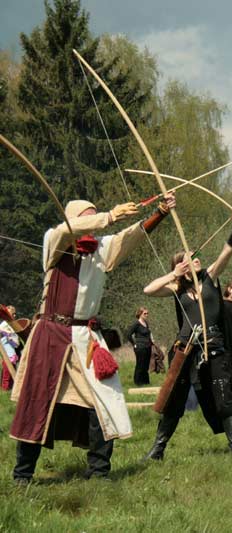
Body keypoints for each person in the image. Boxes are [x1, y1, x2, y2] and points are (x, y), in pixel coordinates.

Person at [10, 194, 175, 483]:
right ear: (74, 219)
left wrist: (160, 212)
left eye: (94, 218)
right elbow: (65, 230)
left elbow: (130, 236)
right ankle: (22, 475)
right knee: (37, 402)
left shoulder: (100, 250)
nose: (92, 225)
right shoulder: (54, 242)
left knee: (106, 400)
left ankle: (99, 472)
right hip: (51, 335)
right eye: (87, 218)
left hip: (86, 337)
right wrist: (110, 215)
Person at [142, 211, 232, 459]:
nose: (196, 260)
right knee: (174, 401)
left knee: (224, 396)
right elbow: (148, 290)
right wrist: (175, 274)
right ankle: (157, 450)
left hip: (214, 346)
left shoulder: (209, 277)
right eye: (190, 259)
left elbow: (226, 253)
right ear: (181, 266)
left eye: (196, 258)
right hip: (185, 348)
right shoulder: (177, 287)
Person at [126, 308, 153, 386]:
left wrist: (151, 342)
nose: (147, 315)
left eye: (147, 313)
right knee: (140, 364)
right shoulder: (136, 324)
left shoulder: (146, 323)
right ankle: (138, 382)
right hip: (140, 347)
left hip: (148, 346)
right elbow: (128, 334)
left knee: (146, 364)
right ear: (140, 314)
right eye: (145, 313)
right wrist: (134, 344)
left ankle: (145, 382)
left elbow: (148, 334)